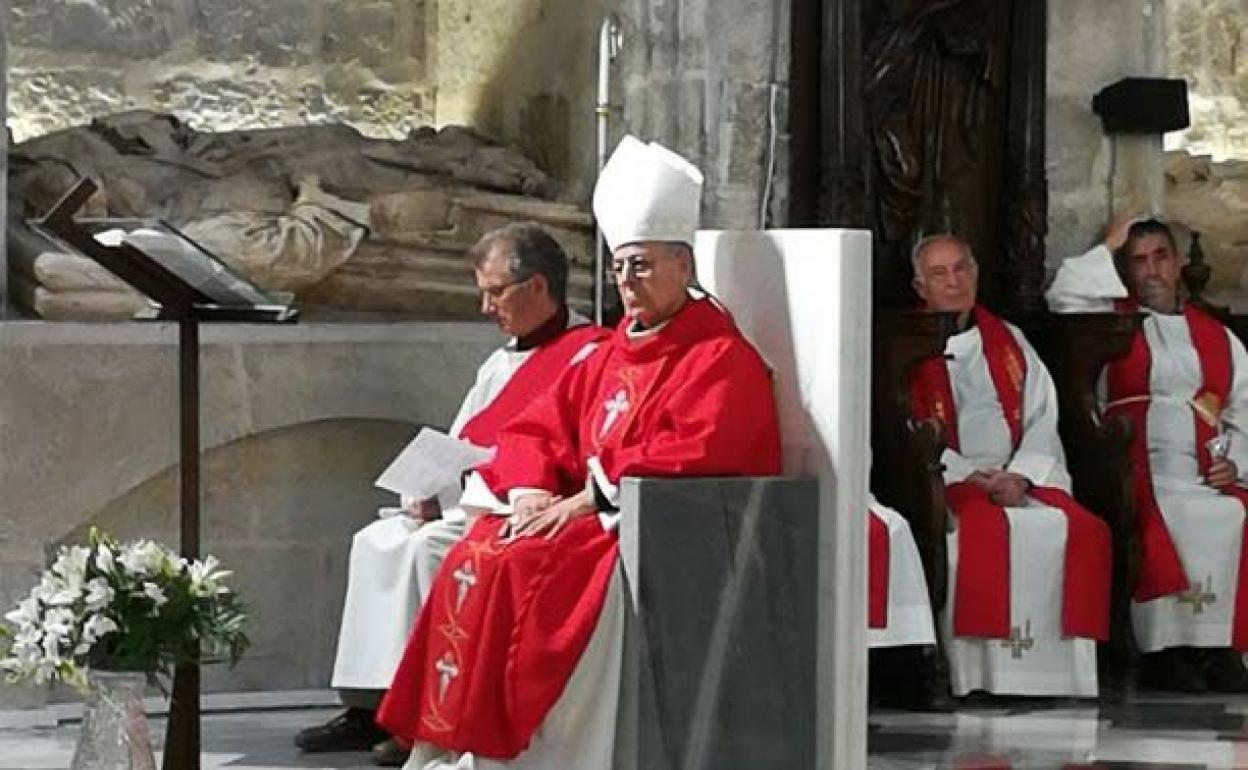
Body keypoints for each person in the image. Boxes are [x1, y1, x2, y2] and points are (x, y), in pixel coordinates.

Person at [375, 135, 782, 770]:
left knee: (518, 562)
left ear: (684, 266)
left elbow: (700, 448)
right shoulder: (611, 354)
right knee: (476, 550)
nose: (627, 281)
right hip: (589, 513)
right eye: (619, 267)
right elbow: (535, 429)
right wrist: (533, 489)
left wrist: (586, 498)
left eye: (641, 265)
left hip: (650, 530)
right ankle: (445, 736)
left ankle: (508, 749)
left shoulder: (721, 358)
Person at [296, 223, 607, 765]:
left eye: (495, 292)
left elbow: (557, 447)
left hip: (518, 501)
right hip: (467, 493)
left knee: (425, 551)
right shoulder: (500, 360)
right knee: (377, 540)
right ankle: (369, 706)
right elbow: (462, 437)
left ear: (538, 286)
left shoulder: (587, 353)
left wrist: (465, 490)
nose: (486, 308)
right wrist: (428, 487)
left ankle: (418, 719)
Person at [1046, 216, 1248, 692]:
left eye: (1160, 257)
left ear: (1177, 264)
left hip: (1203, 469)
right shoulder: (1110, 323)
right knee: (1172, 515)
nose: (1152, 270)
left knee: (1234, 513)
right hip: (1135, 463)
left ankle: (1220, 647)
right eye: (1138, 260)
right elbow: (1063, 293)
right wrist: (1110, 242)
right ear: (1124, 271)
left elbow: (1242, 408)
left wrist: (1235, 461)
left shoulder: (1219, 337)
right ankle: (1166, 651)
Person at [909, 234, 1112, 698]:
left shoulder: (1010, 341)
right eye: (939, 273)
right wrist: (971, 475)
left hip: (1017, 474)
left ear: (976, 274)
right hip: (954, 479)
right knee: (977, 534)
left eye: (961, 268)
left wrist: (1020, 475)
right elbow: (912, 429)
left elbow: (1042, 415)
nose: (954, 281)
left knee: (1083, 529)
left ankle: (1058, 677)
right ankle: (980, 677)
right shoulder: (909, 346)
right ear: (920, 287)